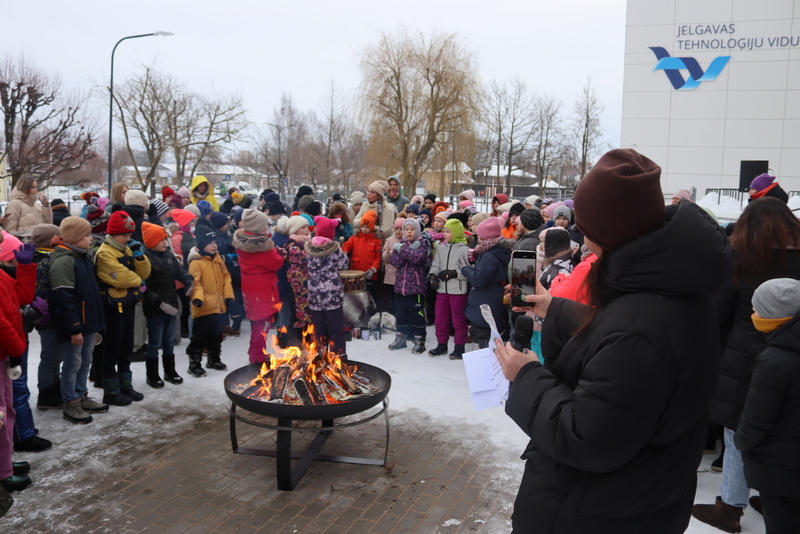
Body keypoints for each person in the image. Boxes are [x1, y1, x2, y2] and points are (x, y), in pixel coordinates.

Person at [494, 149, 734, 533]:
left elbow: (587, 437)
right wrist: (554, 310)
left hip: (600, 511)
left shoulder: (639, 327)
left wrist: (527, 377)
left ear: (607, 231)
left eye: (587, 228)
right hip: (643, 496)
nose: (582, 238)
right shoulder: (672, 282)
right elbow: (619, 341)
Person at [693, 196, 800, 533]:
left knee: (740, 431)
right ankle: (768, 494)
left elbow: (718, 316)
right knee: (782, 428)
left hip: (742, 358)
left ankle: (730, 506)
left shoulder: (738, 260)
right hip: (793, 352)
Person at [734, 278, 800, 534]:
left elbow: (757, 418)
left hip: (780, 468)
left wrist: (742, 442)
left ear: (774, 316)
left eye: (757, 308)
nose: (752, 313)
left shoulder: (774, 360)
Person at [49, 217, 107, 423]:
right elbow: (63, 298)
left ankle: (82, 395)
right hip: (76, 325)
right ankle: (70, 402)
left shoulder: (82, 256)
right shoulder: (64, 260)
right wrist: (74, 328)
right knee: (72, 364)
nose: (91, 239)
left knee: (85, 362)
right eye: (86, 235)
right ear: (73, 238)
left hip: (88, 322)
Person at [94, 211, 152, 406]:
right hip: (113, 307)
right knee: (112, 350)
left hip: (127, 304)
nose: (129, 239)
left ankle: (125, 385)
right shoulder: (105, 253)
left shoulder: (126, 249)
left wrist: (140, 256)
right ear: (114, 234)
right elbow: (122, 277)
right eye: (125, 235)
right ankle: (110, 391)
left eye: (130, 235)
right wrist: (139, 282)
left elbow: (145, 272)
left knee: (126, 348)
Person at [0, 231, 36, 493]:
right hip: (6, 350)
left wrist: (25, 267)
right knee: (0, 415)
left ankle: (5, 463)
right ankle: (3, 472)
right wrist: (17, 348)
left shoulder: (1, 274)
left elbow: (22, 297)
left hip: (5, 355)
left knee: (7, 410)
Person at [141, 222, 193, 387]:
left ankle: (170, 371)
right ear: (150, 242)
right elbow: (144, 287)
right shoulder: (145, 259)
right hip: (155, 308)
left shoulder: (169, 255)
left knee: (169, 341)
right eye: (160, 240)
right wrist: (159, 303)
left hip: (172, 304)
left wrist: (187, 279)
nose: (165, 243)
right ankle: (152, 375)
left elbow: (179, 271)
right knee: (155, 342)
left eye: (165, 239)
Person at [233, 209, 284, 364]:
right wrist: (278, 252)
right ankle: (256, 359)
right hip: (263, 294)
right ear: (260, 229)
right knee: (261, 329)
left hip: (252, 292)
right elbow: (277, 263)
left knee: (258, 325)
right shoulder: (263, 248)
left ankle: (257, 354)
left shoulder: (244, 245)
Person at [186, 227, 234, 376]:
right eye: (210, 243)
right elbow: (196, 283)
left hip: (218, 305)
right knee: (199, 337)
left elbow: (226, 276)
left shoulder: (218, 259)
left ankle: (214, 359)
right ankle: (194, 364)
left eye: (215, 242)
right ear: (201, 245)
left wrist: (228, 295)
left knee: (216, 335)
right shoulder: (196, 262)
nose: (214, 245)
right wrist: (198, 299)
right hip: (203, 306)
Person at [462, 217, 510, 348]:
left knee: (483, 335)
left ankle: (484, 364)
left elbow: (479, 280)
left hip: (485, 301)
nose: (477, 239)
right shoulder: (493, 251)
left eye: (480, 236)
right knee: (485, 334)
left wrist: (466, 269)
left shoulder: (489, 256)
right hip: (490, 298)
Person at [306, 216, 349, 357]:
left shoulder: (308, 248)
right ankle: (338, 355)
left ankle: (320, 354)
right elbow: (343, 264)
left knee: (318, 327)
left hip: (314, 294)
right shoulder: (335, 250)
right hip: (332, 294)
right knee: (335, 327)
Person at [427, 219, 469, 359]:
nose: (444, 234)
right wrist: (433, 275)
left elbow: (468, 269)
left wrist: (454, 274)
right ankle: (442, 344)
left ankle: (459, 347)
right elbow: (436, 264)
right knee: (440, 318)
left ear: (456, 232)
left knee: (458, 320)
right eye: (444, 231)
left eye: (447, 231)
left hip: (457, 290)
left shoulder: (464, 249)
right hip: (441, 289)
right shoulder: (440, 248)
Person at [388, 219, 430, 353]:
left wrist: (404, 250)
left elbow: (417, 258)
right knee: (401, 314)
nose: (409, 232)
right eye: (407, 229)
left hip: (416, 289)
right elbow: (395, 261)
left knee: (416, 315)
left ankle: (419, 340)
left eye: (412, 229)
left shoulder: (422, 244)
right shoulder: (401, 244)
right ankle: (401, 338)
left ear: (417, 231)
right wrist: (405, 250)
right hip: (401, 288)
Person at [275, 216, 311, 348]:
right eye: (303, 227)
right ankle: (295, 345)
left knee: (308, 317)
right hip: (297, 290)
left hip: (309, 288)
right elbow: (306, 258)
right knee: (297, 317)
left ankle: (308, 345)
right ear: (295, 230)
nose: (307, 229)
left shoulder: (307, 243)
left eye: (307, 226)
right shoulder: (292, 246)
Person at [342, 210, 382, 300]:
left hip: (370, 274)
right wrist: (343, 251)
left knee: (371, 297)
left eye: (367, 227)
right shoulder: (354, 238)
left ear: (372, 227)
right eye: (363, 226)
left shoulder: (376, 240)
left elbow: (378, 258)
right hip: (355, 273)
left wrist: (373, 270)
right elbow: (347, 245)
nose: (364, 229)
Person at [382, 218, 405, 316]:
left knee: (401, 299)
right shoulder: (389, 240)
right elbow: (384, 257)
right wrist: (389, 252)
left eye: (401, 229)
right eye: (397, 229)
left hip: (403, 277)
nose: (398, 231)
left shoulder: (407, 241)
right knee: (390, 299)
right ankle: (391, 315)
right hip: (390, 276)